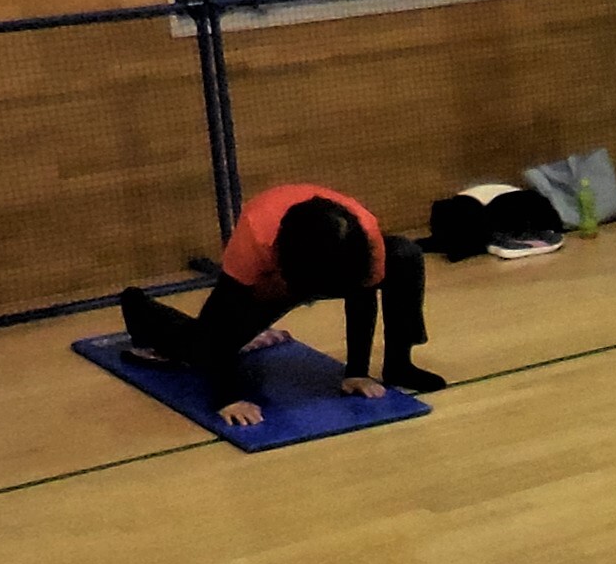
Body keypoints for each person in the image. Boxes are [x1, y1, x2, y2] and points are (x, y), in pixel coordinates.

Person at [118, 182, 441, 431]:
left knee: (405, 255)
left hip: (321, 260)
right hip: (274, 278)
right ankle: (139, 308)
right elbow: (220, 321)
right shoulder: (255, 239)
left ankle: (399, 363)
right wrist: (228, 398)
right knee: (203, 347)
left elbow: (362, 296)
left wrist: (356, 372)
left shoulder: (362, 238)